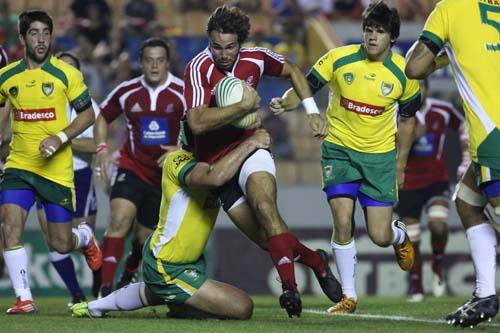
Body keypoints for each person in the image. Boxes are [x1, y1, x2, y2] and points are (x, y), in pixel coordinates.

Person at [183, 5, 339, 318]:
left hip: (253, 146)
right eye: (216, 46)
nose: (223, 54)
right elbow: (197, 123)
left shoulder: (255, 57)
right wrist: (242, 106)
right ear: (208, 41)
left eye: (230, 47)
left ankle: (289, 290)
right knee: (267, 240)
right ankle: (316, 261)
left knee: (266, 209)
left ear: (240, 42)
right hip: (217, 165)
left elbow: (294, 69)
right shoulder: (198, 67)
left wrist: (310, 111)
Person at [271, 0, 419, 314]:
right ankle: (348, 297)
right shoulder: (339, 59)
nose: (372, 37)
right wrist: (286, 102)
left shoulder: (403, 73)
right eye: (368, 30)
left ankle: (398, 235)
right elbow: (306, 85)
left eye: (379, 31)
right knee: (342, 221)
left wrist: (401, 164)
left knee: (379, 235)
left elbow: (408, 120)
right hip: (338, 150)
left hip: (378, 157)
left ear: (392, 37)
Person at [71, 129, 272, 320]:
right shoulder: (178, 159)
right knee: (242, 307)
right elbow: (214, 178)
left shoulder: (218, 163)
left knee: (159, 292)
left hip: (187, 262)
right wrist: (250, 143)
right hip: (166, 263)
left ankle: (97, 306)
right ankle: (108, 302)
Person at [405, 0, 500, 328]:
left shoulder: (451, 8)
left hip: (493, 136)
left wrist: (439, 50)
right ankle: (485, 294)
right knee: (467, 201)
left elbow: (414, 68)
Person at [0, 10, 101, 314]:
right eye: (34, 33)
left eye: (46, 33)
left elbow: (88, 115)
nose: (41, 39)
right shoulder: (6, 77)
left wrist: (59, 137)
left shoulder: (66, 74)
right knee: (10, 224)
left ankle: (83, 236)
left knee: (60, 244)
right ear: (22, 38)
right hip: (20, 165)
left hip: (56, 170)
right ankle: (24, 298)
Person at [94, 37, 185, 298]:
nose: (154, 66)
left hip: (164, 176)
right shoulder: (127, 91)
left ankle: (130, 269)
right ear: (141, 62)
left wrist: (181, 150)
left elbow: (199, 127)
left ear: (167, 62)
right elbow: (102, 117)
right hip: (131, 167)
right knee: (119, 220)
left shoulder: (182, 92)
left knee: (143, 238)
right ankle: (105, 290)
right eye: (149, 60)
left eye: (159, 60)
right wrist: (101, 148)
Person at [34, 51, 101, 306]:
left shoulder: (89, 106)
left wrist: (62, 139)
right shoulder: (41, 100)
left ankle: (99, 283)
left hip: (78, 174)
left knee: (84, 236)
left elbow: (96, 144)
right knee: (52, 239)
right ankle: (76, 293)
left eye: (71, 67)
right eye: (60, 66)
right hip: (46, 173)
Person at [394, 79, 469, 302]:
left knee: (438, 223)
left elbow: (464, 126)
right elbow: (386, 141)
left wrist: (465, 161)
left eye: (421, 87)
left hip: (437, 178)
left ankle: (438, 264)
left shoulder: (442, 110)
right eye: (413, 88)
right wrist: (411, 136)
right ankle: (416, 285)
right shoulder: (396, 111)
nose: (418, 92)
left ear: (427, 88)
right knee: (413, 238)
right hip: (407, 181)